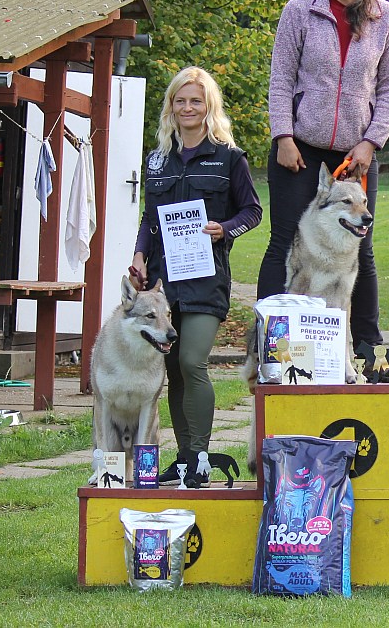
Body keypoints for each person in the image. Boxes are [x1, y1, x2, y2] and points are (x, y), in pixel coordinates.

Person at [259, 0, 389, 348]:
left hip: (356, 151)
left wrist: (371, 141)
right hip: (299, 148)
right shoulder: (298, 11)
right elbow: (281, 79)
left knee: (362, 244)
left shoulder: (388, 18)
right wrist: (283, 135)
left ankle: (366, 346)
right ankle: (272, 341)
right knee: (284, 240)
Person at [131, 67, 262, 489]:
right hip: (165, 283)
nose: (187, 108)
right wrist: (139, 256)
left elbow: (253, 211)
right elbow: (151, 219)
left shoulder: (229, 157)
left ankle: (202, 456)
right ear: (171, 106)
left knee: (193, 360)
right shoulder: (157, 159)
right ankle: (185, 460)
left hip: (208, 279)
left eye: (196, 101)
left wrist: (226, 229)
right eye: (180, 100)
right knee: (174, 368)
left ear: (209, 107)